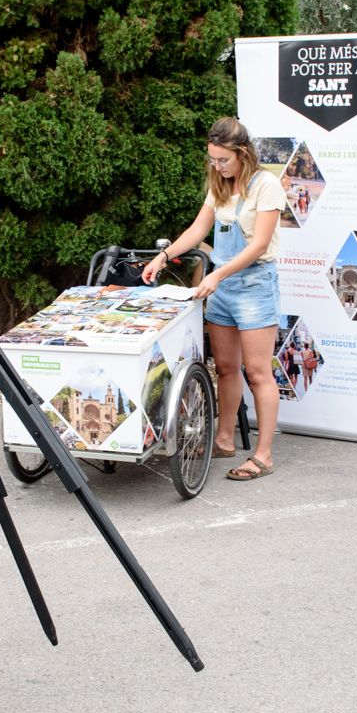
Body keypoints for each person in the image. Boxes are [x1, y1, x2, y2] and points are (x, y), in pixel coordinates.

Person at [142, 117, 285, 481]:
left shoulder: (265, 186)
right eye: (212, 160)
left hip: (253, 285)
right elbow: (198, 228)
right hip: (221, 287)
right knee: (224, 368)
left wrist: (216, 274)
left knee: (257, 372)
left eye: (223, 160)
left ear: (242, 154)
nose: (217, 166)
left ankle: (263, 455)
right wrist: (164, 257)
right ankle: (224, 440)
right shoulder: (218, 184)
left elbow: (259, 245)